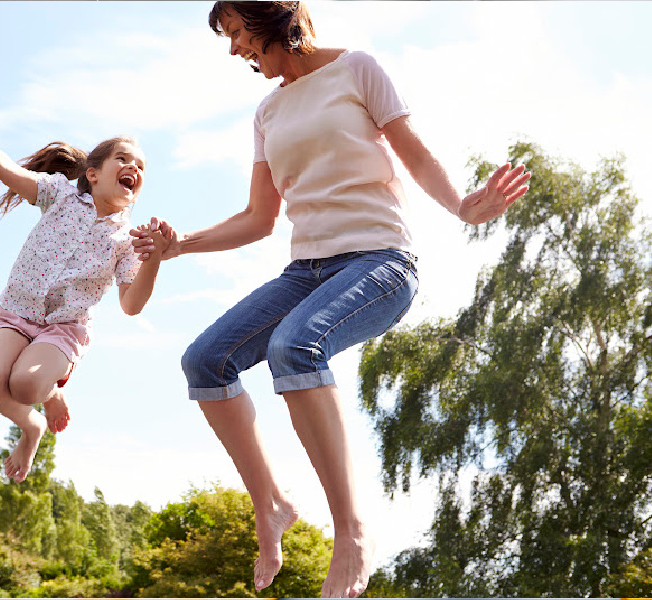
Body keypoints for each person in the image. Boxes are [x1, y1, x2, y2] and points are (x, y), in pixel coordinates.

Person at [131, 1, 532, 597]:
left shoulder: (357, 69)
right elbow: (259, 218)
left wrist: (462, 207)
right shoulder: (267, 111)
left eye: (238, 32)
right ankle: (270, 507)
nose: (235, 49)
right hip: (306, 271)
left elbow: (413, 153)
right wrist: (178, 245)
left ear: (270, 18)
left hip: (379, 260)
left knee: (297, 345)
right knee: (204, 360)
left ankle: (352, 530)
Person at [0, 98, 169, 484]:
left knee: (25, 384)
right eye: (122, 159)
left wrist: (152, 259)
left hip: (63, 329)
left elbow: (131, 305)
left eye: (140, 167)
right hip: (18, 312)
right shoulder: (59, 194)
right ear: (94, 174)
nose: (133, 167)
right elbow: (1, 166)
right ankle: (32, 425)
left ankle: (46, 392)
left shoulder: (127, 241)